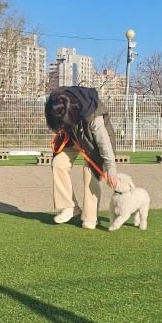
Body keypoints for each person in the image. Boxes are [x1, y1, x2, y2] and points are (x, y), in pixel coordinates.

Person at [44, 86, 119, 229]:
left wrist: (111, 169)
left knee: (89, 172)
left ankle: (90, 217)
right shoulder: (56, 103)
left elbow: (105, 146)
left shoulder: (94, 117)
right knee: (58, 163)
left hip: (96, 143)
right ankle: (69, 207)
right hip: (74, 138)